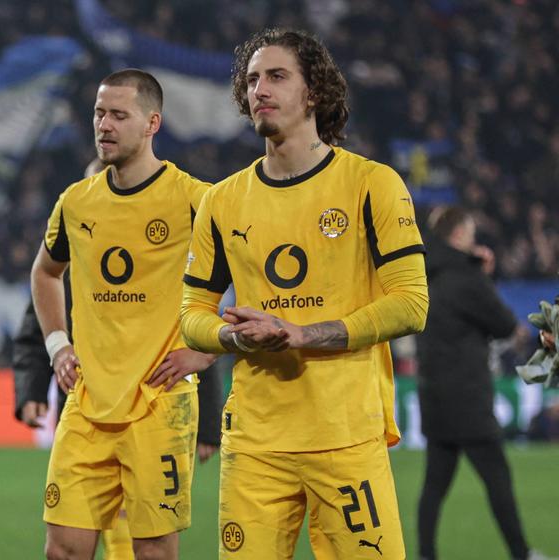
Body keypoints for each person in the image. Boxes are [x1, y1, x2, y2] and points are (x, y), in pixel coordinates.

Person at [177, 28, 428, 559]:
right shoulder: (221, 201)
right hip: (254, 443)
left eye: (276, 76)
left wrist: (302, 333)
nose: (259, 89)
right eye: (251, 80)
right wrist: (232, 337)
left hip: (345, 435)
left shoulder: (372, 184)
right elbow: (192, 315)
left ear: (313, 91)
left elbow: (412, 303)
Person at [32, 69, 216, 560]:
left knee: (153, 552)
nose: (104, 125)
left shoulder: (195, 199)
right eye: (98, 113)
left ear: (152, 123)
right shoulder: (76, 200)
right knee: (62, 550)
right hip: (88, 401)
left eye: (118, 115)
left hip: (160, 404)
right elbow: (46, 273)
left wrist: (208, 348)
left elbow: (250, 271)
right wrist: (57, 346)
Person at [416, 207, 552, 560]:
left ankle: (425, 554)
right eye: (471, 233)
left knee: (434, 486)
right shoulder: (466, 275)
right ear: (460, 234)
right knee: (498, 479)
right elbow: (504, 325)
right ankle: (521, 553)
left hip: (434, 394)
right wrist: (483, 274)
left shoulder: (423, 274)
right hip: (468, 398)